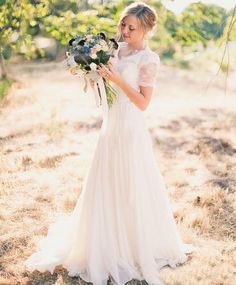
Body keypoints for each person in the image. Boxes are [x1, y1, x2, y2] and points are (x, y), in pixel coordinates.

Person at [25, 2, 195, 285]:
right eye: (123, 25)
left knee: (132, 183)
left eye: (131, 28)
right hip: (111, 125)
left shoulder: (148, 59)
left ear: (147, 29)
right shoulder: (114, 50)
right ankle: (104, 240)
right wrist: (94, 78)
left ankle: (133, 243)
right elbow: (106, 94)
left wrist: (115, 77)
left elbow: (142, 103)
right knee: (106, 181)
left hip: (131, 127)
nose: (124, 31)